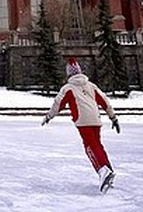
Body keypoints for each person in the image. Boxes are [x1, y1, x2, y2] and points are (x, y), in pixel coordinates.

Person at [41, 57, 120, 193]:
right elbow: (104, 101)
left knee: (90, 147)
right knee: (97, 145)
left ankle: (103, 171)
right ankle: (108, 169)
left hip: (83, 121)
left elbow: (58, 104)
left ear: (68, 74)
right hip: (96, 119)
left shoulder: (68, 88)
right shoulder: (91, 86)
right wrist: (113, 118)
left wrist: (49, 116)